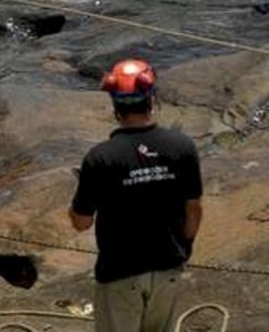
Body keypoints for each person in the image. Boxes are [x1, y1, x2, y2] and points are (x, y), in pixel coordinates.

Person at [69, 59, 203, 332]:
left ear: (115, 104)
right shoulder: (182, 146)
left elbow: (82, 222)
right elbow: (194, 209)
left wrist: (74, 209)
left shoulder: (100, 158)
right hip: (168, 269)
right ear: (151, 99)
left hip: (120, 273)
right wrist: (184, 246)